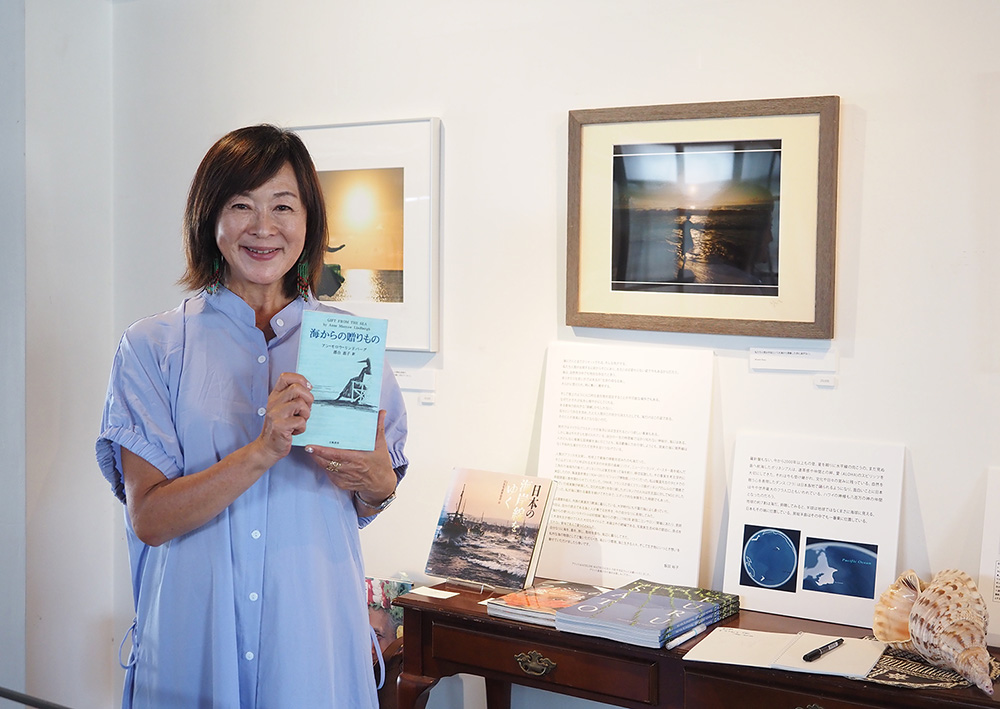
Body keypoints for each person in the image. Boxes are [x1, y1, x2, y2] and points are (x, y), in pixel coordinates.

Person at [96, 124, 408, 708]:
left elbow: (375, 492)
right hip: (195, 644)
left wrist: (371, 479)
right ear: (209, 220)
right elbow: (151, 519)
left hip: (311, 645)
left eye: (283, 206)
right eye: (242, 205)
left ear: (308, 221)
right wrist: (261, 449)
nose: (264, 228)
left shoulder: (348, 347)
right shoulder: (152, 348)